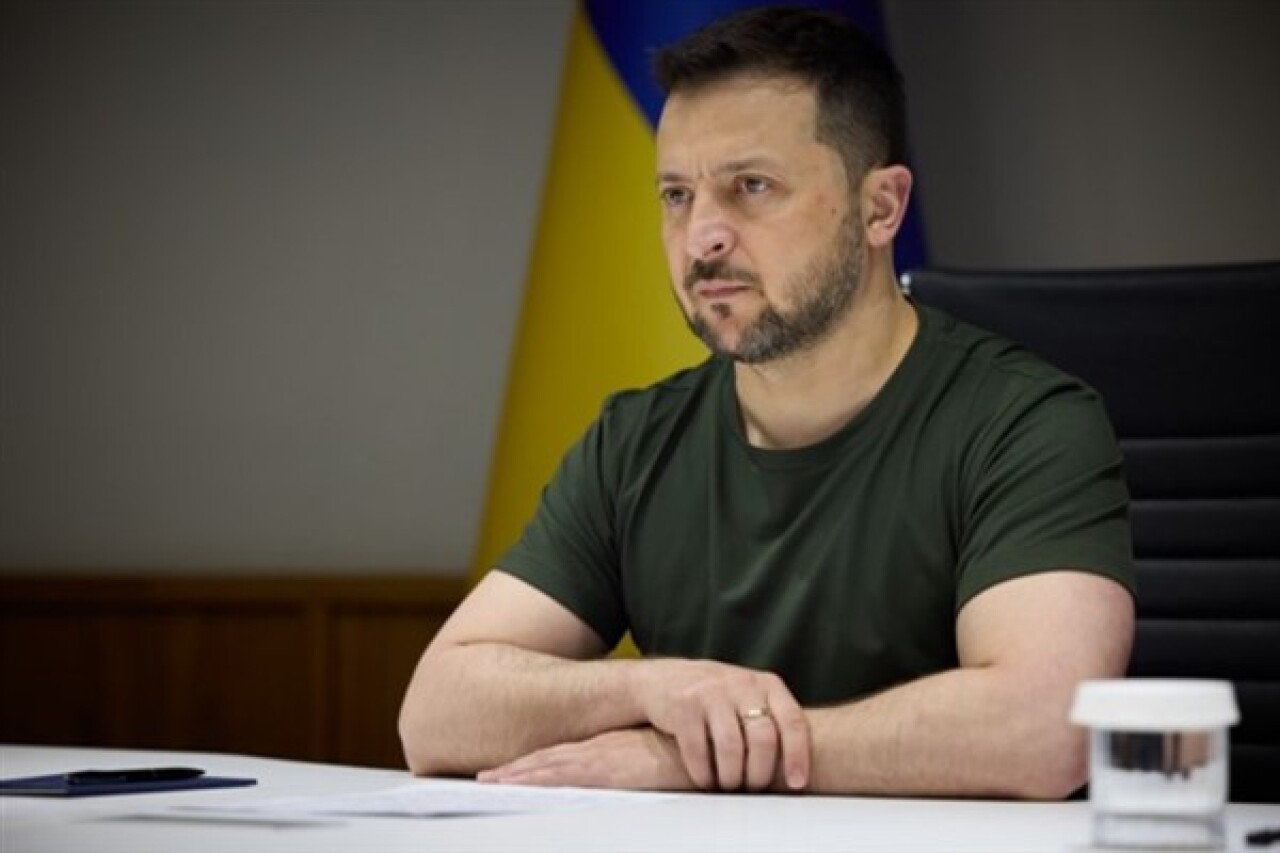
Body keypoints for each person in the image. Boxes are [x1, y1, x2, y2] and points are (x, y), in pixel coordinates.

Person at [399, 5, 1135, 799]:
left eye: (751, 187)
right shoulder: (634, 440)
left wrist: (698, 755)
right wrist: (652, 688)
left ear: (881, 207)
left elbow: (1047, 727)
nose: (702, 237)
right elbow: (435, 714)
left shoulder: (1027, 424)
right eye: (677, 194)